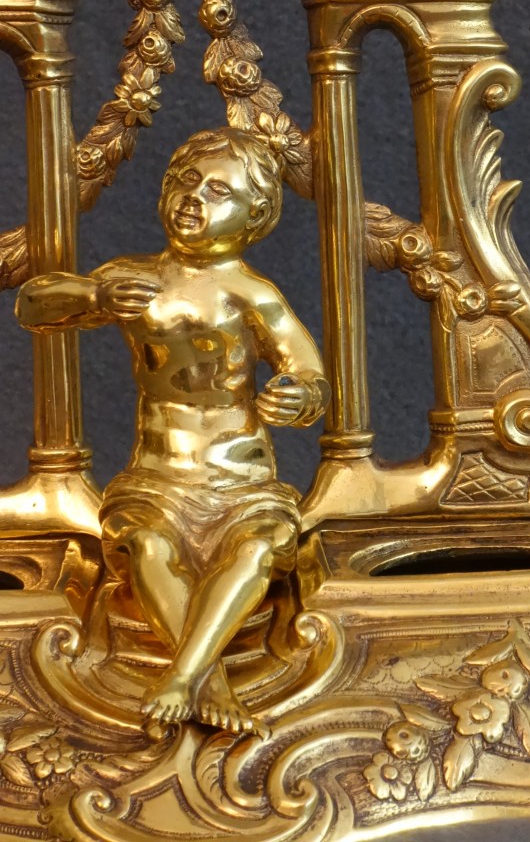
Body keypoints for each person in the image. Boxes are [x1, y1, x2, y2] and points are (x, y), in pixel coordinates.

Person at [16, 126, 330, 735]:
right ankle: (207, 682)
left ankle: (181, 678)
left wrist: (298, 396)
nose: (194, 197)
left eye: (219, 191)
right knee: (145, 547)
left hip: (240, 480)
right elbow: (34, 304)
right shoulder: (134, 280)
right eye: (186, 181)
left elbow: (308, 371)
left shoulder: (252, 294)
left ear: (254, 216)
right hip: (157, 477)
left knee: (258, 549)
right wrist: (95, 293)